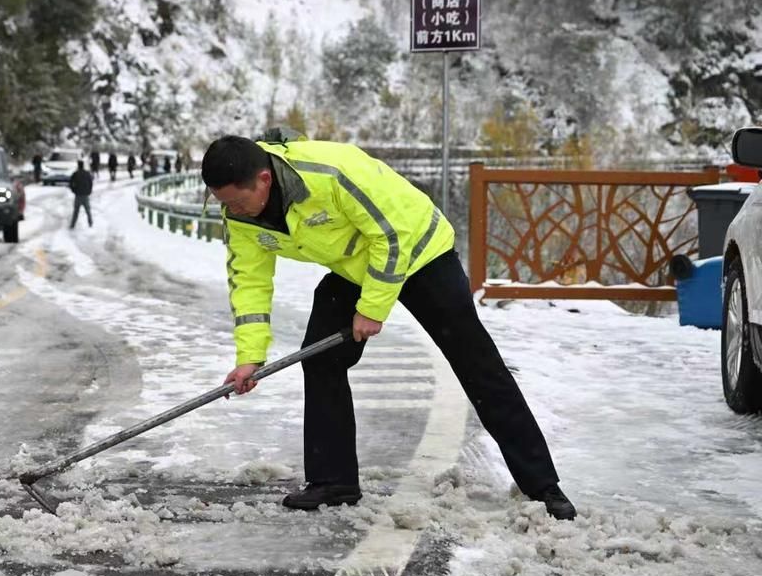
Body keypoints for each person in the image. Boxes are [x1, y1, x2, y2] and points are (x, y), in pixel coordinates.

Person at [202, 135, 576, 521]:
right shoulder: (239, 216)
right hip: (357, 266)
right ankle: (334, 482)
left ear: (263, 179)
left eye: (236, 201)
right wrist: (249, 358)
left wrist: (372, 308)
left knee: (478, 367)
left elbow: (392, 236)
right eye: (223, 203)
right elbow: (249, 284)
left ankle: (543, 486)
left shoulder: (329, 171)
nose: (232, 211)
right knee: (321, 358)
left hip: (419, 250)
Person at [69, 160, 94, 229]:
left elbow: (71, 183)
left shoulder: (75, 173)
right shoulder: (87, 173)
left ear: (78, 165)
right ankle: (90, 223)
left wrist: (74, 190)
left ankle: (72, 225)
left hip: (78, 195)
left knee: (76, 211)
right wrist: (89, 191)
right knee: (88, 210)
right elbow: (91, 183)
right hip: (85, 195)